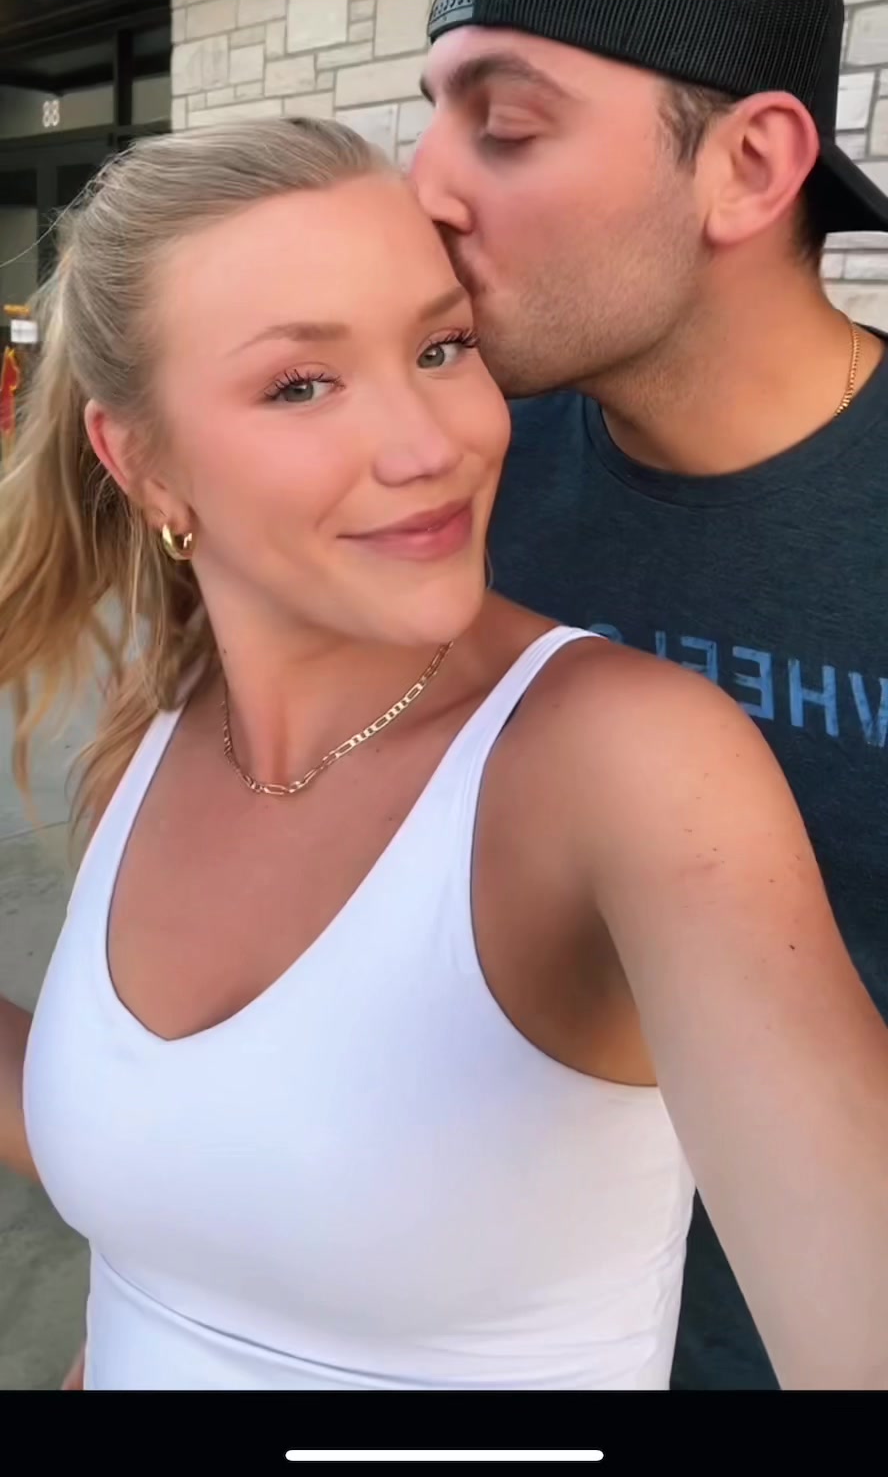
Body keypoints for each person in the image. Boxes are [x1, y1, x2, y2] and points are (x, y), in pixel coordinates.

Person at [0, 118, 887, 1393]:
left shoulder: (622, 765)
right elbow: (183, 1166)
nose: (433, 446)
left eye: (441, 347)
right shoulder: (154, 735)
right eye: (302, 384)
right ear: (139, 463)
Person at [413, 0, 888, 1391]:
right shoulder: (451, 483)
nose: (424, 188)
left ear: (748, 166)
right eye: (433, 115)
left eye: (507, 128)